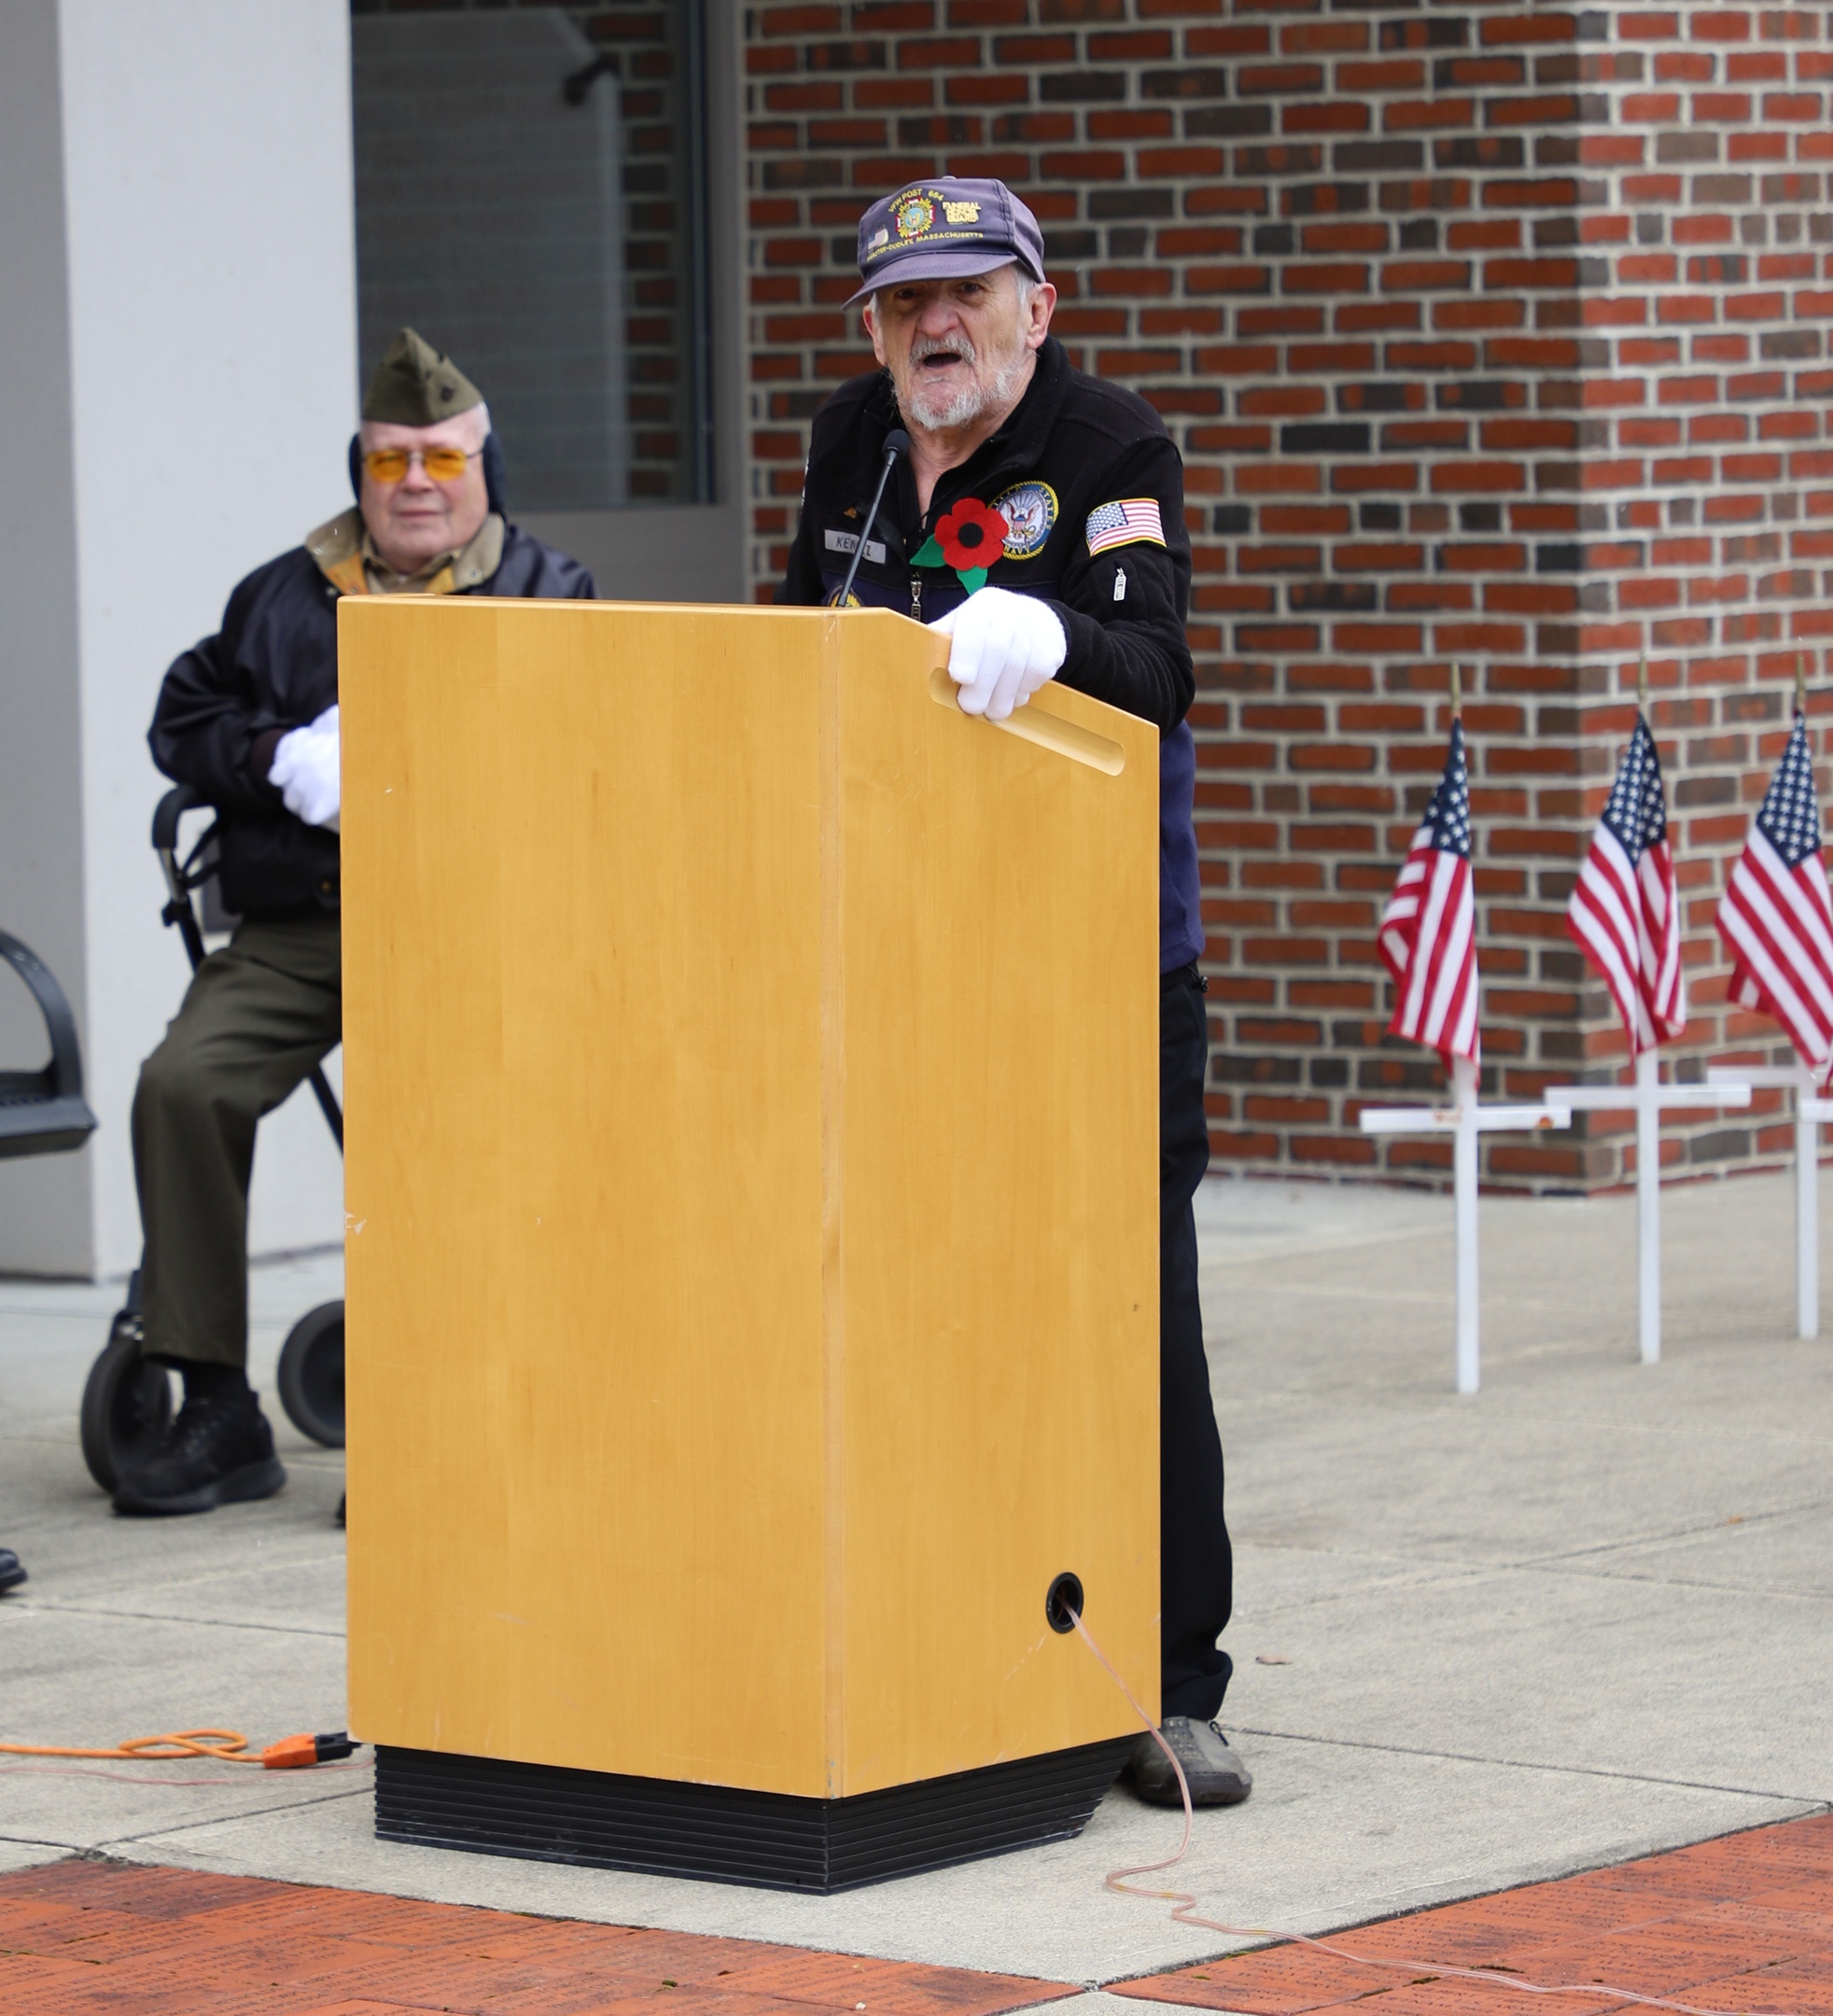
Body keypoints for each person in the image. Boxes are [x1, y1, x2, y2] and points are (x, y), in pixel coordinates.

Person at [777, 179, 1248, 1808]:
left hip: (1093, 969)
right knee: (915, 1306)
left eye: (967, 295)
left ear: (1033, 309)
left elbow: (1159, 671)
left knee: (1129, 1317)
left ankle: (1172, 1679)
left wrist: (1040, 633)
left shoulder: (1107, 446)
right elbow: (799, 655)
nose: (935, 327)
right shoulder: (849, 442)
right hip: (890, 962)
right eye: (905, 302)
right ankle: (951, 1646)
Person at [117, 330, 595, 1519]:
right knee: (183, 1083)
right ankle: (215, 1401)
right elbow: (184, 719)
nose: (418, 483)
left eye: (441, 458)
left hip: (467, 933)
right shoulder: (282, 592)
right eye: (389, 463)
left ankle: (435, 1411)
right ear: (360, 472)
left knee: (433, 1127)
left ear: (487, 467)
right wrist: (279, 755)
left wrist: (414, 768)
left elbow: (585, 751)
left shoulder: (551, 590)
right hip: (301, 924)